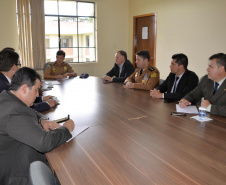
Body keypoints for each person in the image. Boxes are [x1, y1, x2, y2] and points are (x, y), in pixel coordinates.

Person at [0, 67, 75, 185]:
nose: (37, 95)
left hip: (11, 157)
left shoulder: (6, 97)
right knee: (68, 170)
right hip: (18, 174)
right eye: (36, 90)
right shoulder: (15, 112)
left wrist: (42, 120)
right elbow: (44, 143)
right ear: (24, 88)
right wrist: (66, 129)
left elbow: (30, 111)